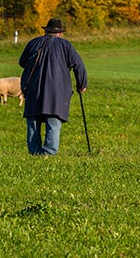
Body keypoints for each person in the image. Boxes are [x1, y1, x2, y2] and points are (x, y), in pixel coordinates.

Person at [19, 18, 88, 156]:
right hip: (57, 91)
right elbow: (79, 65)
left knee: (33, 121)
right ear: (60, 33)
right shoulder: (65, 45)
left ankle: (34, 152)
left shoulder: (33, 43)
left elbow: (22, 62)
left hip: (33, 88)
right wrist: (82, 84)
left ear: (45, 31)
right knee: (53, 120)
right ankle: (49, 153)